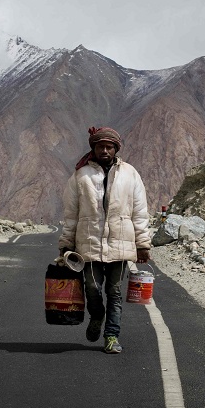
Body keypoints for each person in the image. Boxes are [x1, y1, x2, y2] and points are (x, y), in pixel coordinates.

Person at [58, 126, 152, 354]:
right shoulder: (80, 176)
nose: (105, 150)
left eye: (109, 147)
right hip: (89, 244)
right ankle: (97, 315)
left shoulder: (130, 174)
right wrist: (66, 245)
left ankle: (111, 336)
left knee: (115, 292)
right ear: (94, 148)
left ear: (116, 149)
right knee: (91, 287)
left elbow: (140, 212)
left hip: (121, 244)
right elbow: (71, 214)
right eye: (101, 146)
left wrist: (142, 243)